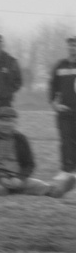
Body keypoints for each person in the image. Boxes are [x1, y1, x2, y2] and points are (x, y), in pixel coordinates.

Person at [0, 107, 75, 196]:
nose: (6, 124)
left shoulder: (21, 139)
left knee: (38, 184)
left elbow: (29, 164)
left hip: (16, 177)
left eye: (10, 121)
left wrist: (19, 178)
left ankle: (57, 190)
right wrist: (0, 177)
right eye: (3, 121)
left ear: (15, 123)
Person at [51, 35, 76, 176]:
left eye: (75, 45)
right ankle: (66, 170)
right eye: (71, 45)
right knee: (65, 140)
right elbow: (52, 86)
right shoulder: (60, 65)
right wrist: (54, 104)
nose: (73, 47)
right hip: (65, 110)